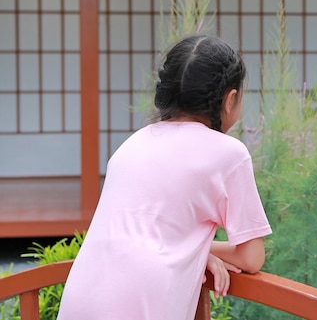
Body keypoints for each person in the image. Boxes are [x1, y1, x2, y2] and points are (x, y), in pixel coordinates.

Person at [57, 35, 272, 320]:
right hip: (144, 304)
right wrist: (199, 251)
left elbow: (135, 237)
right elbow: (250, 257)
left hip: (80, 299)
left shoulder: (133, 144)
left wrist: (193, 251)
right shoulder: (229, 154)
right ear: (230, 100)